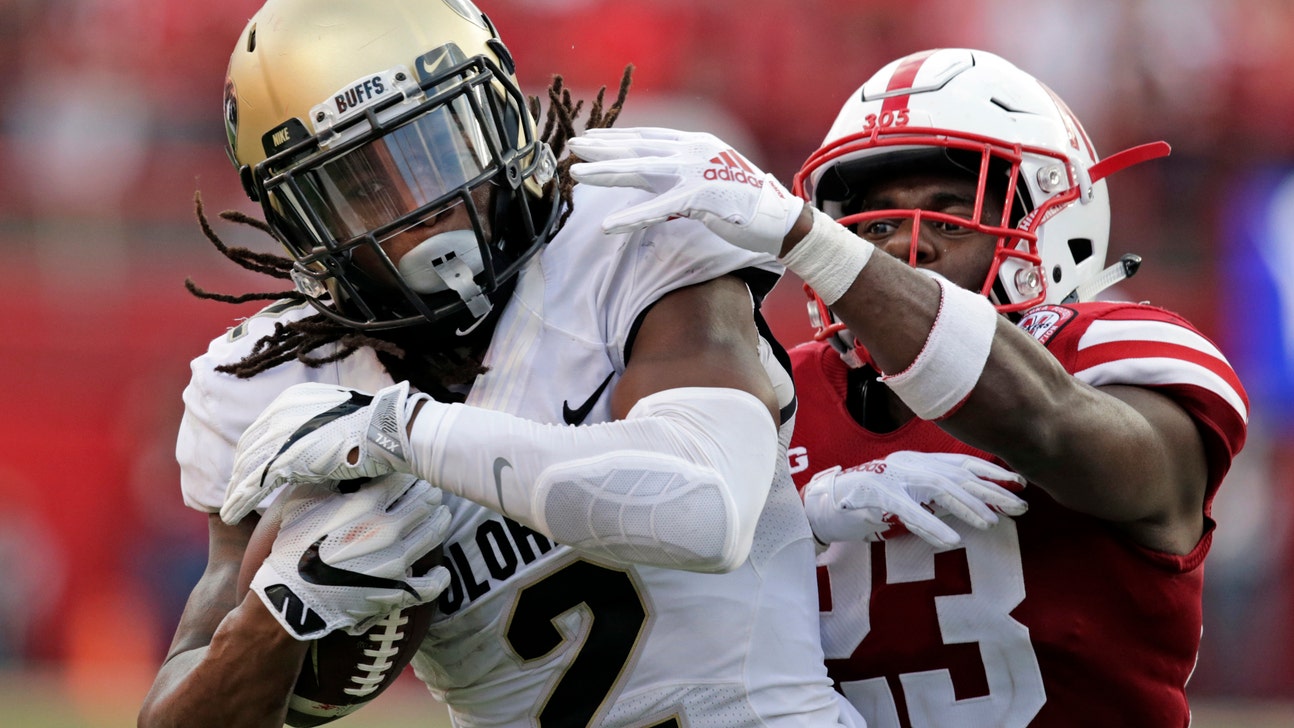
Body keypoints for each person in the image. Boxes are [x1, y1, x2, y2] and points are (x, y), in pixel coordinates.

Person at [137, 0, 866, 726]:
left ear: (499, 118)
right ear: (301, 223)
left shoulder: (631, 226)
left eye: (433, 146)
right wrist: (280, 616)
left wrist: (404, 435)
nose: (416, 204)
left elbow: (708, 512)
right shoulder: (278, 384)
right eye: (358, 184)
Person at [566, 48, 1249, 727]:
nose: (901, 248)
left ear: (1054, 226)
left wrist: (811, 239)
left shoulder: (1107, 354)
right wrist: (794, 521)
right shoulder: (780, 391)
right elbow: (640, 584)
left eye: (948, 218)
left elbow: (1049, 426)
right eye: (878, 225)